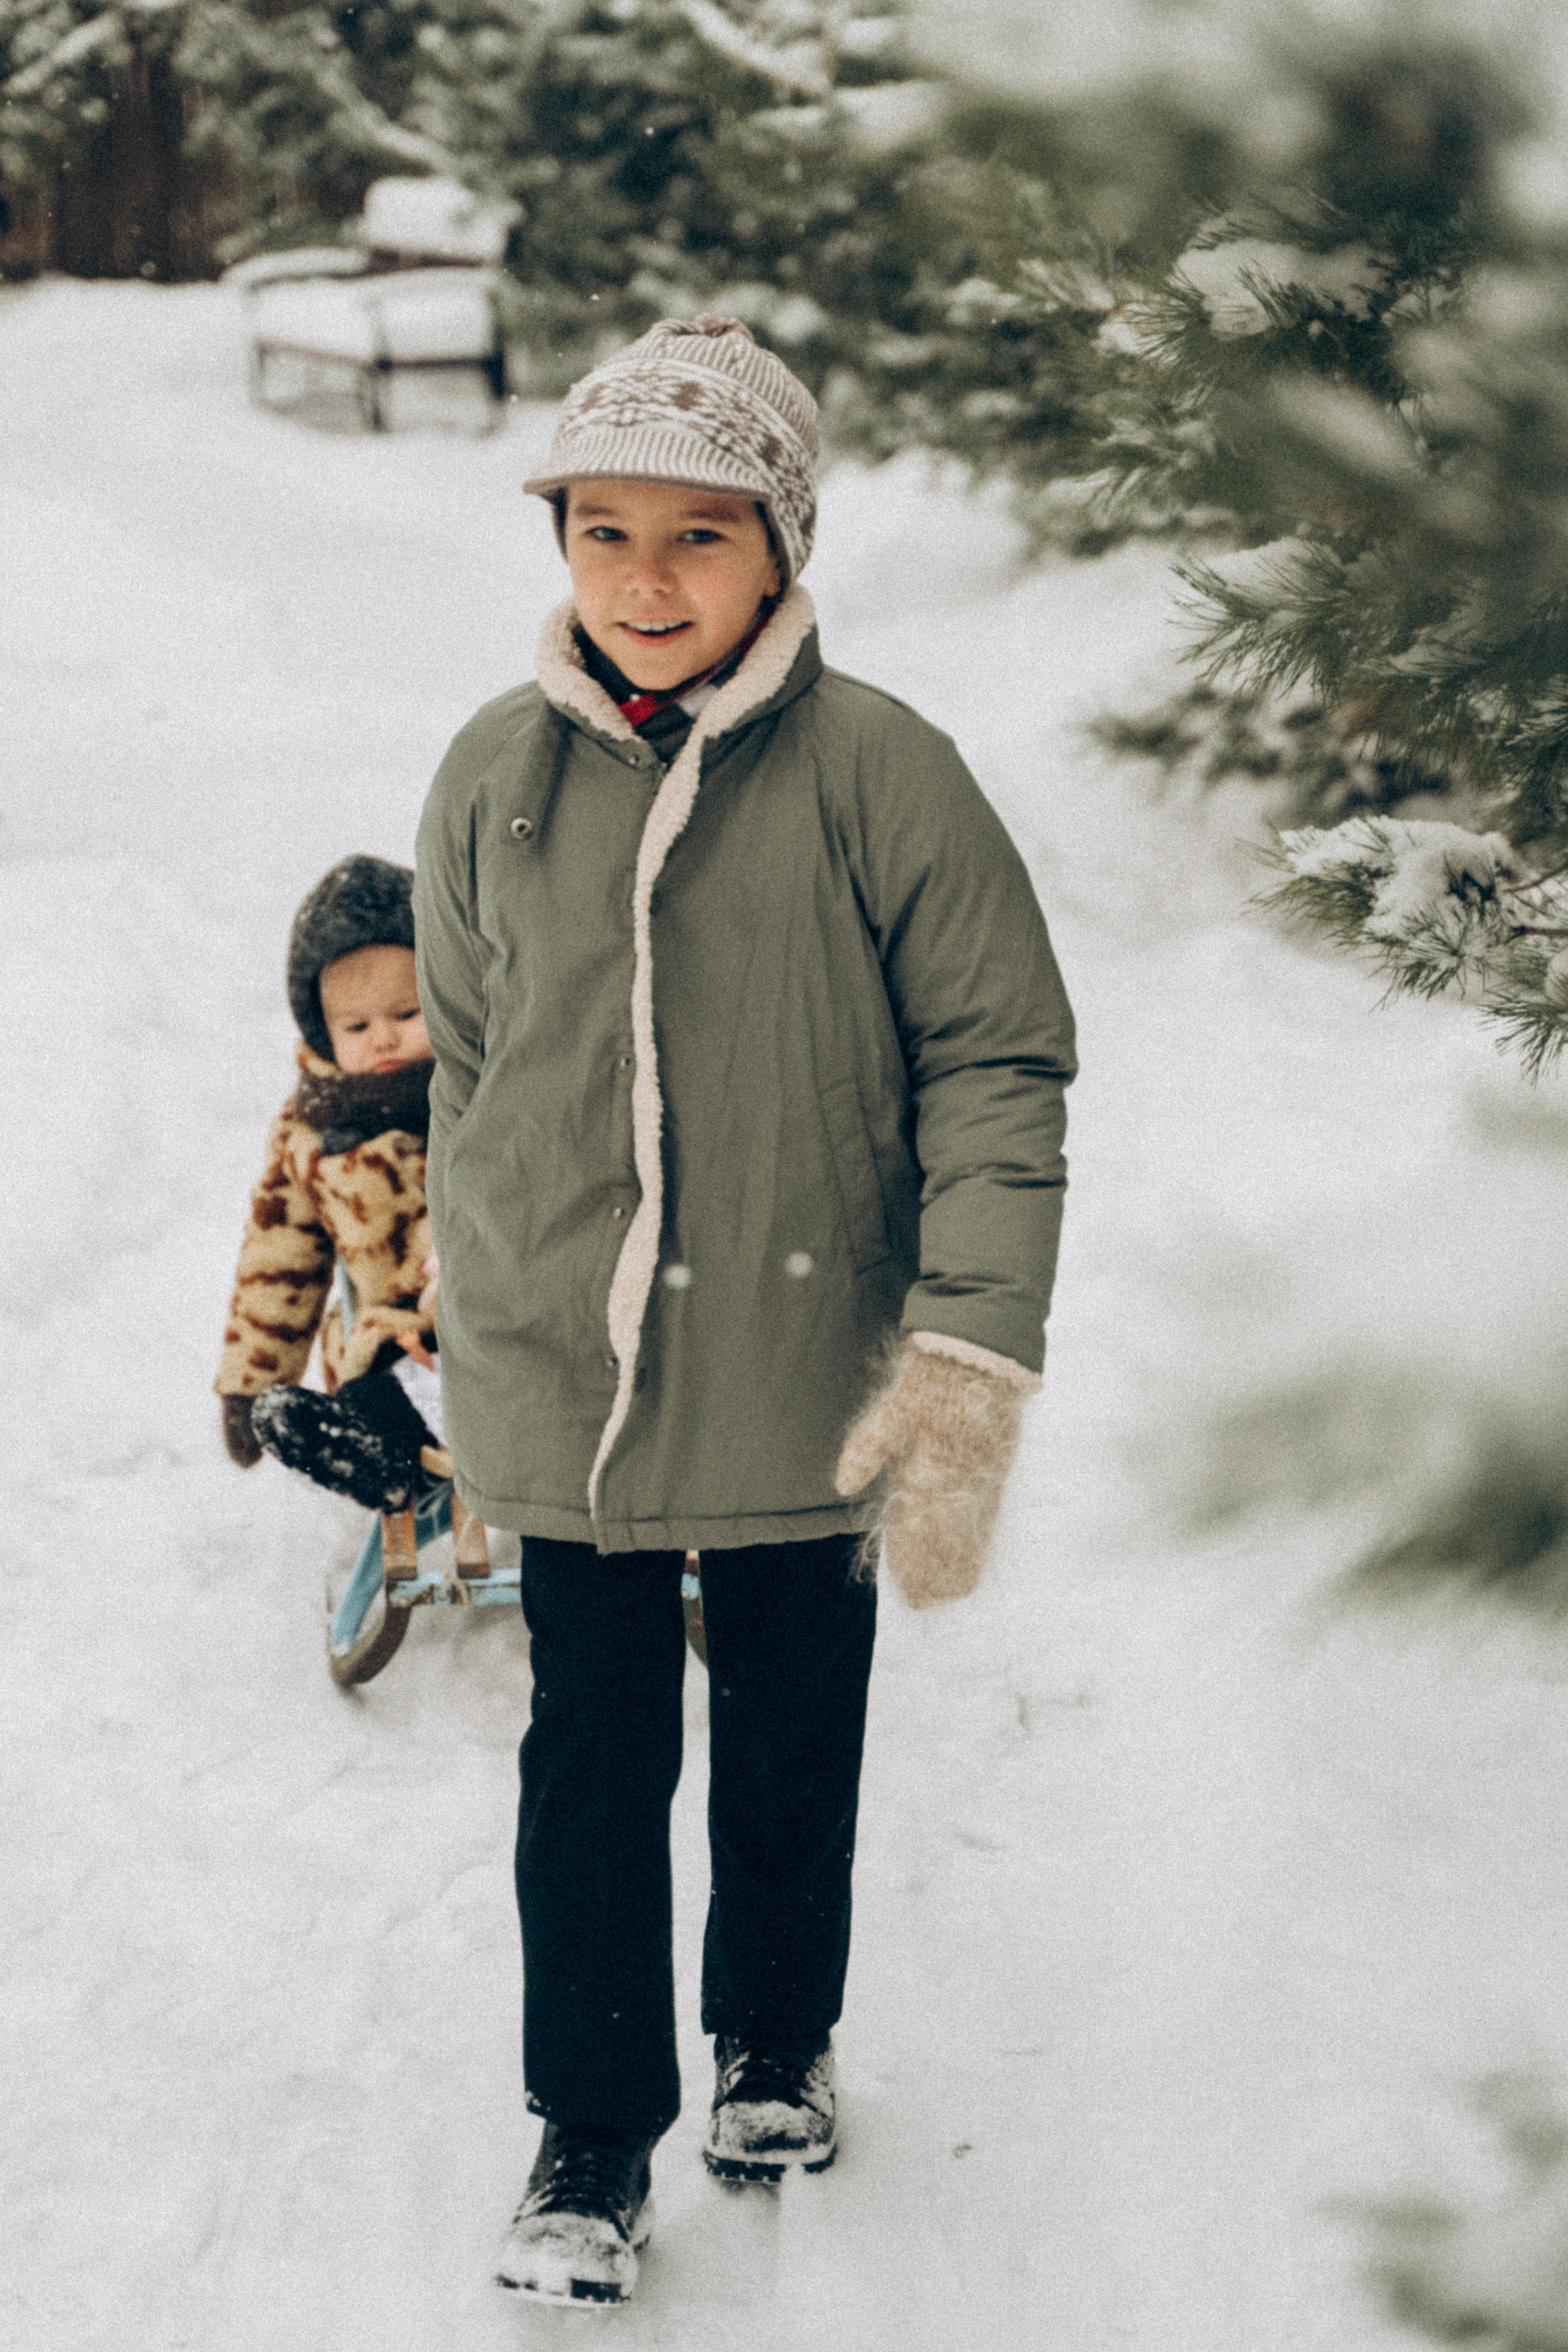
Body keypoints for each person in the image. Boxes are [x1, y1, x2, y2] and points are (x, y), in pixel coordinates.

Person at [413, 315, 1077, 2307]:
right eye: (599, 530)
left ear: (781, 545)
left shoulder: (882, 772)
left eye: (695, 536)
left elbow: (998, 1060)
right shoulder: (494, 773)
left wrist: (964, 1346)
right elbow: (466, 1057)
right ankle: (590, 2133)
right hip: (578, 1382)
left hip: (807, 1358)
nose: (640, 578)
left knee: (793, 1734)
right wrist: (483, 1304)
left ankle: (771, 2043)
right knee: (590, 1766)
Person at [217, 855, 441, 1509]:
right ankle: (394, 1458)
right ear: (322, 1028)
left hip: (503, 1319)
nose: (384, 1040)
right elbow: (277, 1263)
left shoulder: (484, 1093)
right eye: (357, 1026)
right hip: (393, 1346)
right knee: (376, 1385)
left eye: (407, 1012)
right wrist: (251, 1380)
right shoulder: (309, 1133)